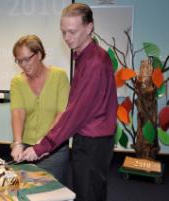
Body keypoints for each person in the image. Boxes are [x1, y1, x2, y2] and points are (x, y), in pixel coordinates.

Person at [22, 3, 118, 201]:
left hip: (93, 143)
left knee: (89, 194)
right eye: (63, 32)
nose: (67, 38)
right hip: (92, 139)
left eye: (72, 31)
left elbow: (75, 113)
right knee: (88, 191)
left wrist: (42, 147)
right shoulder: (85, 55)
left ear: (89, 27)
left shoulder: (94, 62)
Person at [10, 34, 70, 184]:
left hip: (53, 148)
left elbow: (62, 113)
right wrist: (18, 143)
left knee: (49, 192)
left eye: (27, 59)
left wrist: (44, 143)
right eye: (19, 60)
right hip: (26, 148)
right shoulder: (17, 81)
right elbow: (18, 112)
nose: (23, 64)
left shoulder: (59, 76)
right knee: (24, 191)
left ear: (39, 54)